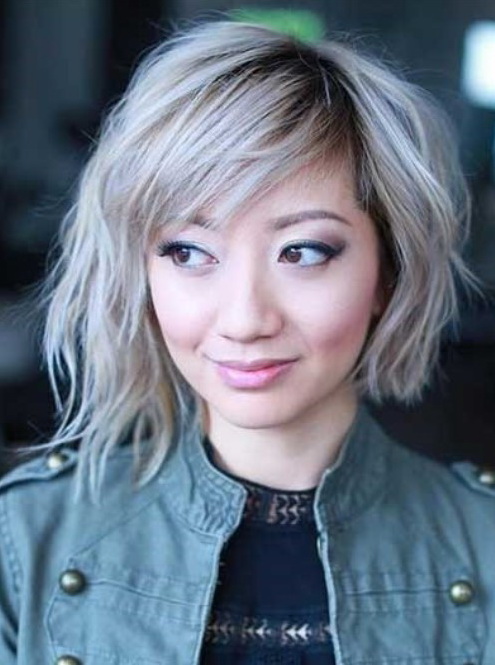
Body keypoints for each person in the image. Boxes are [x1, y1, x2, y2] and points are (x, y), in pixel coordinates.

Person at [0, 18, 493, 665]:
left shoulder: (482, 543)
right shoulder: (23, 541)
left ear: (386, 271)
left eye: (303, 251)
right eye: (188, 252)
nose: (244, 319)